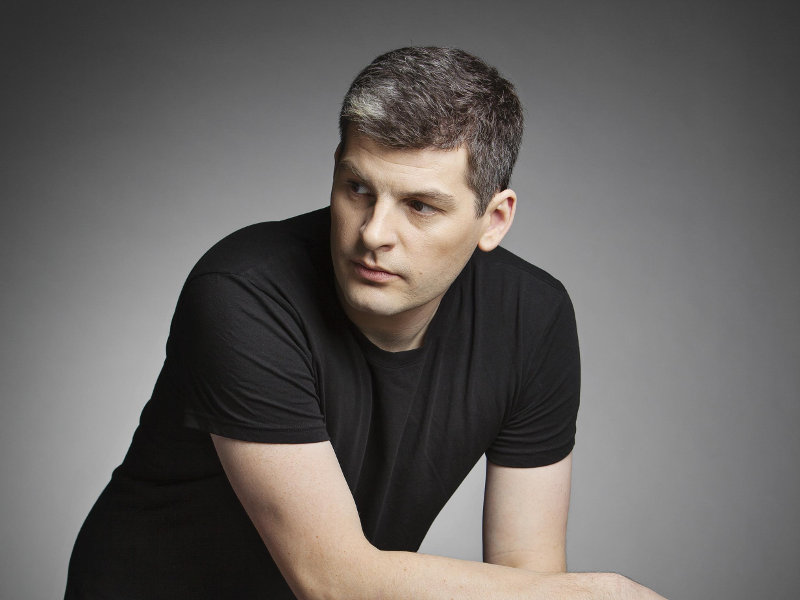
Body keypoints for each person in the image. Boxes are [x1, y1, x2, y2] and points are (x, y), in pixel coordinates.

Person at [66, 47, 665, 599]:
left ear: (494, 220)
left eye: (420, 206)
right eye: (357, 188)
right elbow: (333, 581)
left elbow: (528, 576)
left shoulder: (533, 318)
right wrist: (603, 594)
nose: (373, 233)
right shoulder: (242, 293)